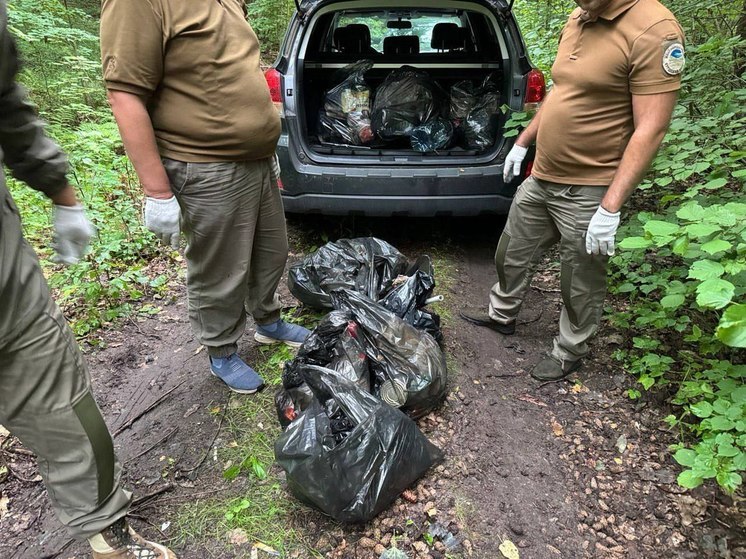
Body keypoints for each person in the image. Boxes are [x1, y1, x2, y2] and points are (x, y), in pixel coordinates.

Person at [0, 3, 175, 557]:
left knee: (70, 417)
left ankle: (109, 534)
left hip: (6, 288)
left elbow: (6, 107)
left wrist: (61, 192)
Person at [461, 0, 685, 380]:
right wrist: (523, 141)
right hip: (544, 174)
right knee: (512, 250)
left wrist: (611, 206)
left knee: (580, 279)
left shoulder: (654, 30)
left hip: (591, 185)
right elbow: (560, 91)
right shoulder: (582, 14)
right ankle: (502, 315)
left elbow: (652, 129)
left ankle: (569, 351)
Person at [99, 0, 310, 394]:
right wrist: (158, 192)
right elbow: (124, 95)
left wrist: (266, 149)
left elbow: (236, 72)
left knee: (271, 251)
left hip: (257, 162)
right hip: (205, 166)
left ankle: (267, 322)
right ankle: (221, 350)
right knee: (221, 269)